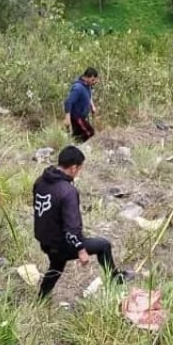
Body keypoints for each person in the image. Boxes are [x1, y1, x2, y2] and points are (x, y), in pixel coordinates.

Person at [33, 146, 127, 299]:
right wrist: (81, 249)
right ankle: (115, 280)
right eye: (80, 168)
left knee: (57, 265)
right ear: (73, 168)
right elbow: (72, 227)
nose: (79, 172)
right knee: (104, 246)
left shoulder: (41, 180)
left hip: (45, 239)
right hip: (59, 242)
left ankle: (41, 298)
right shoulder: (67, 191)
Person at [64, 68, 99, 143]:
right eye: (92, 80)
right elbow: (68, 102)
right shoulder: (78, 88)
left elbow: (88, 96)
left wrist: (92, 106)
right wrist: (67, 117)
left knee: (77, 137)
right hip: (77, 117)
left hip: (82, 117)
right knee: (90, 133)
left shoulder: (87, 85)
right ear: (86, 77)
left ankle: (77, 148)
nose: (94, 82)